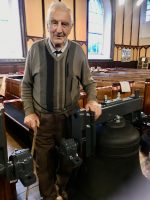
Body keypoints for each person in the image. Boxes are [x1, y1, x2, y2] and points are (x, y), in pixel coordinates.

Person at [21, 1, 102, 199]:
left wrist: (92, 100)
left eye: (64, 24)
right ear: (47, 25)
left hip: (70, 119)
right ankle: (49, 195)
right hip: (43, 119)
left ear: (71, 27)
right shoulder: (35, 51)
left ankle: (62, 189)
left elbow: (89, 84)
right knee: (44, 163)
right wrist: (30, 112)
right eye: (54, 23)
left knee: (69, 157)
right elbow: (26, 85)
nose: (59, 29)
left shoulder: (78, 53)